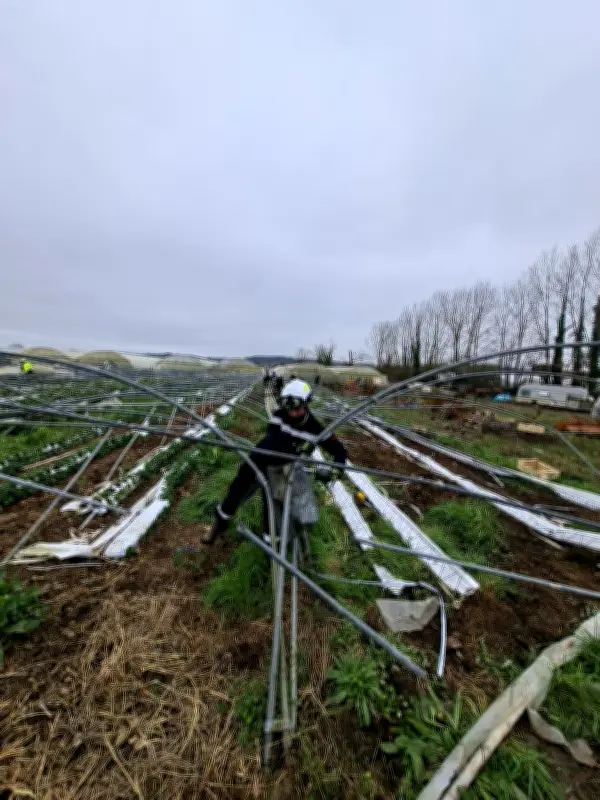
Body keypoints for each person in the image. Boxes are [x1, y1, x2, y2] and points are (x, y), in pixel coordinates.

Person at [202, 379, 348, 544]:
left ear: (307, 404)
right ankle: (220, 522)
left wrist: (335, 470)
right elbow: (273, 439)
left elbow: (340, 451)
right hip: (260, 457)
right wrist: (297, 447)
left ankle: (271, 541)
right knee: (239, 486)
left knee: (272, 500)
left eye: (297, 407)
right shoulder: (279, 416)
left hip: (283, 467)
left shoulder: (316, 430)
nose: (292, 412)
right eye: (288, 407)